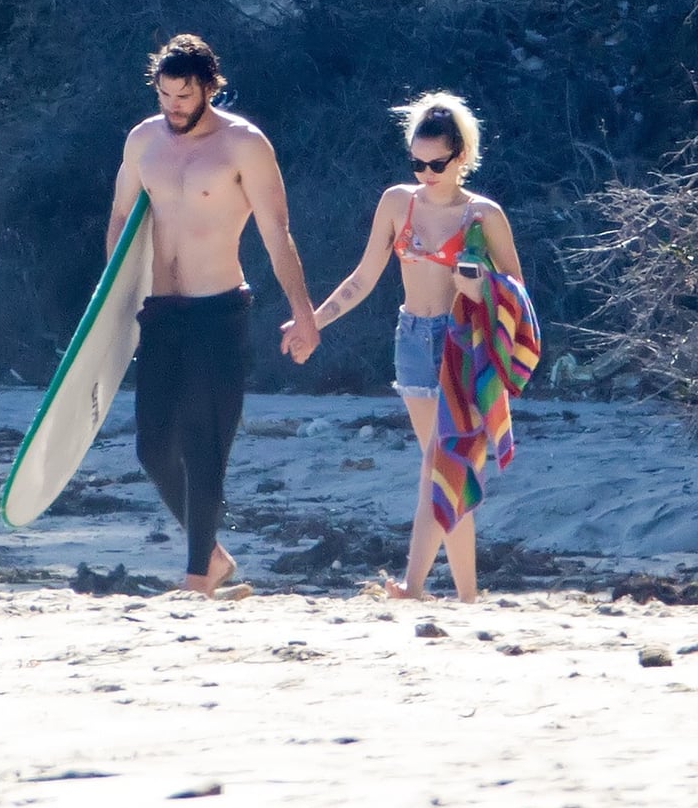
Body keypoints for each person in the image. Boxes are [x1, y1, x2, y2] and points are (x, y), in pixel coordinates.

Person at [282, 91, 525, 602]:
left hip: (463, 344)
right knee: (441, 461)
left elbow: (516, 298)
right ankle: (460, 594)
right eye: (417, 162)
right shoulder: (399, 202)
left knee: (445, 462)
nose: (426, 172)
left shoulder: (484, 216)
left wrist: (477, 289)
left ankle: (426, 587)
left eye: (436, 163)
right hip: (414, 338)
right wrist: (312, 322)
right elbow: (363, 278)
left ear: (461, 157)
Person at [106, 34, 319, 597]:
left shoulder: (244, 145)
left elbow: (278, 234)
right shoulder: (143, 141)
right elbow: (122, 218)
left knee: (204, 445)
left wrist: (304, 313)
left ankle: (198, 577)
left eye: (183, 96)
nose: (172, 107)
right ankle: (215, 556)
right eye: (164, 94)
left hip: (219, 311)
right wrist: (113, 306)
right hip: (160, 312)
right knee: (152, 448)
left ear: (208, 87)